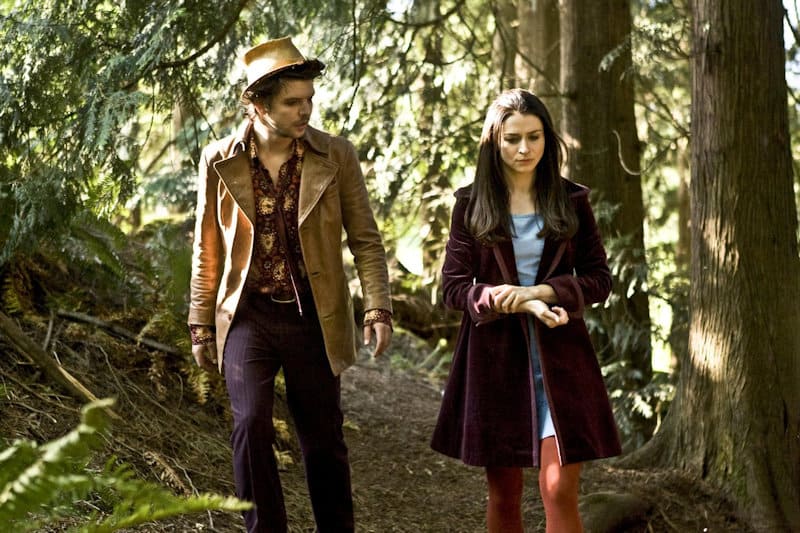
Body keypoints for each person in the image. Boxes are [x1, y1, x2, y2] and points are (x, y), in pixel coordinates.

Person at [188, 36, 393, 533]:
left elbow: (366, 240)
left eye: (309, 100)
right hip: (248, 316)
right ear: (257, 105)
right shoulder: (218, 159)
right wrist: (199, 323)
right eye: (292, 103)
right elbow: (206, 248)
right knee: (250, 424)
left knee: (323, 440)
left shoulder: (336, 155)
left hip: (314, 317)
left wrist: (377, 307)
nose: (305, 111)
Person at [430, 89, 621, 533]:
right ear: (493, 142)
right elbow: (454, 288)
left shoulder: (571, 200)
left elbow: (599, 279)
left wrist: (542, 292)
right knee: (504, 494)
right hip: (495, 365)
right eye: (512, 139)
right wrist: (506, 298)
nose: (524, 149)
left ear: (547, 139)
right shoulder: (470, 204)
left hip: (562, 362)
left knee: (558, 490)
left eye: (534, 137)